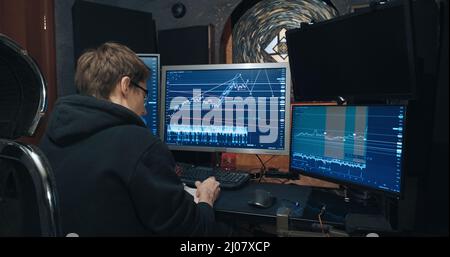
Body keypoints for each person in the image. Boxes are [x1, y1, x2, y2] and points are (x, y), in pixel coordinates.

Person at [39, 42, 232, 236]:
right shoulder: (140, 145)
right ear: (125, 85)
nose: (144, 109)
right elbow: (194, 232)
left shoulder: (51, 136)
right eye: (144, 95)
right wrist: (206, 198)